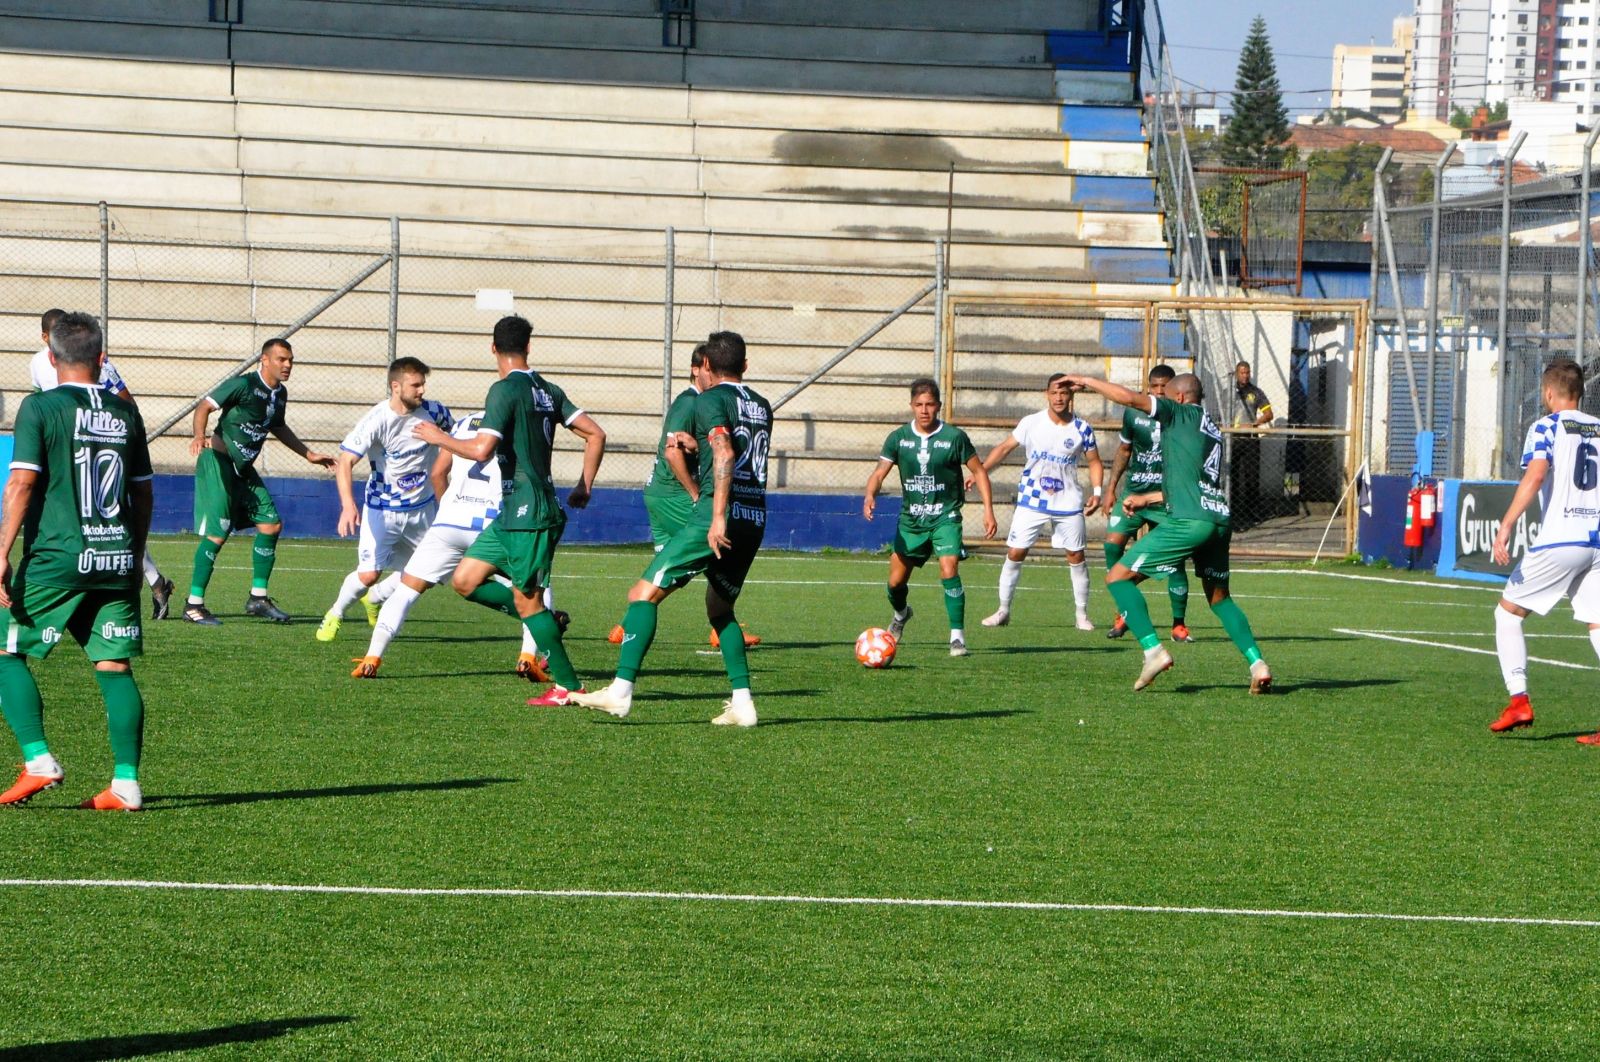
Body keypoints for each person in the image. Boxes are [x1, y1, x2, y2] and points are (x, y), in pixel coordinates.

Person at [570, 331, 770, 726]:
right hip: (755, 517)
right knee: (720, 609)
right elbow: (737, 449)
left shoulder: (708, 399)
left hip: (719, 515)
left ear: (707, 366)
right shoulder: (761, 405)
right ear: (745, 366)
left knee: (642, 594)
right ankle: (743, 703)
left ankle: (620, 691)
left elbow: (726, 451)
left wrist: (714, 516)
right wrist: (698, 448)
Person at [0, 312, 154, 810]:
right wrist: (133, 555)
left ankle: (39, 760)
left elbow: (22, 483)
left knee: (3, 651)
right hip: (115, 557)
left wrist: (0, 551)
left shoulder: (40, 407)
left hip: (57, 556)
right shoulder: (127, 412)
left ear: (51, 356)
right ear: (102, 359)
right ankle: (126, 785)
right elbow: (143, 493)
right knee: (114, 664)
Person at [411, 314, 605, 706]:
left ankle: (568, 686)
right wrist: (584, 485)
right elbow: (596, 433)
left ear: (493, 347)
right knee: (464, 580)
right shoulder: (548, 390)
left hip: (529, 515)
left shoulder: (503, 390)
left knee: (526, 600)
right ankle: (543, 624)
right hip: (512, 512)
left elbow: (481, 450)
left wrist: (439, 438)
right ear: (528, 346)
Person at [1062, 371, 1271, 694]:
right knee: (1220, 599)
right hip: (1217, 518)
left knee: (1117, 578)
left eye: (1165, 396)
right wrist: (1148, 497)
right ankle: (1258, 664)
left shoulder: (1179, 412)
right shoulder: (1211, 428)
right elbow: (1194, 483)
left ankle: (1153, 651)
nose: (1157, 402)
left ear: (1180, 398)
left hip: (1189, 522)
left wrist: (1087, 381)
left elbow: (1130, 399)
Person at [349, 409, 547, 680]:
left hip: (449, 524)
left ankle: (373, 656)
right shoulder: (518, 427)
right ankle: (527, 657)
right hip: (492, 525)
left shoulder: (464, 422)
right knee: (538, 586)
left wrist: (447, 509)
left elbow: (438, 472)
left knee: (406, 591)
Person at [607, 344, 759, 649]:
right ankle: (721, 623)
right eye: (707, 369)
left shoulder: (700, 401)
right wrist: (694, 495)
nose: (711, 376)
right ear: (697, 369)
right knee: (708, 551)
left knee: (671, 562)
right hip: (674, 494)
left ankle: (625, 625)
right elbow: (672, 452)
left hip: (660, 493)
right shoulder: (690, 403)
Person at [30, 307, 175, 620]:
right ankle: (155, 581)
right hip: (84, 447)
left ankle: (72, 591)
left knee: (102, 520)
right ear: (47, 338)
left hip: (96, 448)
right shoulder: (42, 362)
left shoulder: (86, 364)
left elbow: (124, 401)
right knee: (107, 522)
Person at [181, 338, 335, 625]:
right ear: (264, 360)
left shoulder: (280, 394)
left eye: (290, 360)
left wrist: (308, 454)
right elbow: (204, 406)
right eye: (281, 359)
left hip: (243, 469)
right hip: (218, 461)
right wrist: (199, 435)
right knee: (218, 532)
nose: (287, 365)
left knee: (271, 524)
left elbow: (278, 426)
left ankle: (258, 598)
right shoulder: (243, 384)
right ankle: (193, 605)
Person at [1486, 360, 1600, 738]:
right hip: (1596, 542)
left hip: (1561, 539)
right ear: (1580, 392)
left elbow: (1536, 474)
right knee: (1598, 625)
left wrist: (1506, 523)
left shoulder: (1547, 426)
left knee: (1508, 614)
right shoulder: (1599, 428)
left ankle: (1518, 702)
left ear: (1549, 393)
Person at [316, 357, 453, 642]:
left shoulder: (435, 412)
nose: (421, 391)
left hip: (423, 509)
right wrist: (348, 505)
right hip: (383, 510)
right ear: (396, 386)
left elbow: (455, 439)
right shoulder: (377, 419)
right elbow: (345, 461)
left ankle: (374, 599)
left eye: (423, 384)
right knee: (368, 574)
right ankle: (335, 613)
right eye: (415, 385)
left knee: (430, 573)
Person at [863, 378, 997, 657]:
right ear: (912, 406)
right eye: (919, 404)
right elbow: (878, 473)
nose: (924, 410)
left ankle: (957, 638)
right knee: (895, 584)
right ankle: (901, 614)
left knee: (949, 567)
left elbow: (980, 471)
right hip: (911, 521)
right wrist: (870, 495)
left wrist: (988, 509)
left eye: (930, 404)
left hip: (944, 517)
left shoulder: (954, 438)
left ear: (938, 405)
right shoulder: (898, 438)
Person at [976, 373, 1103, 631]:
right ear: (1047, 394)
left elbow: (1094, 461)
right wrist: (981, 470)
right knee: (1015, 552)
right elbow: (1003, 448)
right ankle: (1003, 610)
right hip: (1031, 500)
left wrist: (1098, 492)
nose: (1059, 397)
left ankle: (1081, 615)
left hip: (1067, 502)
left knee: (1076, 556)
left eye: (1064, 393)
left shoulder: (1082, 428)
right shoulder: (1031, 422)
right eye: (1054, 392)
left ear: (1071, 396)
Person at [1104, 364, 1193, 644]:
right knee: (1111, 545)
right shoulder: (1134, 414)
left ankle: (1179, 624)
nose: (1158, 392)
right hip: (1134, 492)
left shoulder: (1180, 417)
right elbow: (1124, 450)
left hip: (1165, 497)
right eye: (1153, 387)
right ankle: (1124, 612)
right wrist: (1111, 488)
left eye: (1163, 387)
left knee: (1175, 560)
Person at [1231, 360, 1275, 522]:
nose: (1245, 375)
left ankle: (1251, 511)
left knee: (1252, 475)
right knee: (1232, 475)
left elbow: (1269, 414)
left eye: (1247, 372)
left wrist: (1254, 423)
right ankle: (1233, 509)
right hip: (1233, 438)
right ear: (1236, 373)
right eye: (1242, 372)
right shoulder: (1229, 392)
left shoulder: (1256, 392)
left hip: (1250, 438)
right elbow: (1220, 412)